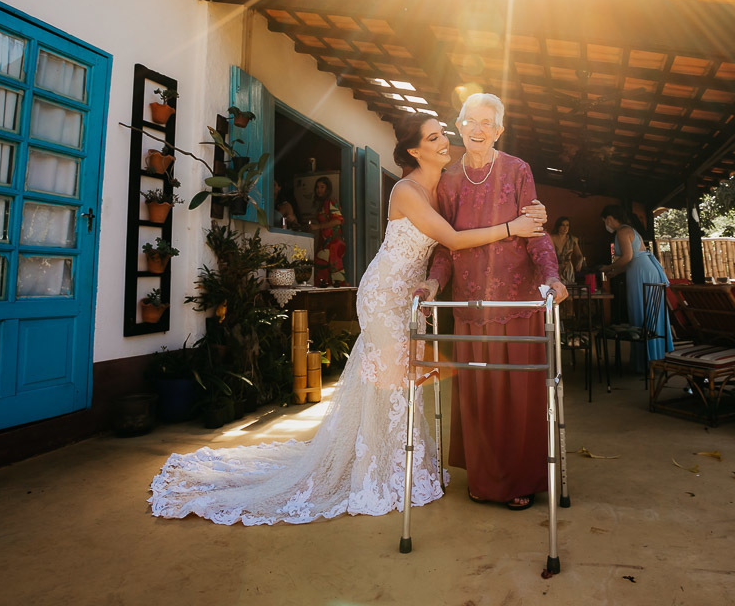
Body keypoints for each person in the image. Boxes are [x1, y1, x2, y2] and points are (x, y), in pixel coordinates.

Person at [148, 113, 548, 525]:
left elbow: (473, 193)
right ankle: (379, 473)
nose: (446, 141)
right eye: (434, 137)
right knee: (389, 383)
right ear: (415, 150)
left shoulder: (444, 186)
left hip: (410, 297)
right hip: (384, 294)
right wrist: (513, 226)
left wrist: (530, 211)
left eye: (444, 133)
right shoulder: (408, 190)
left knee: (406, 385)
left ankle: (401, 466)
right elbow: (455, 240)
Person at [415, 93, 568, 512]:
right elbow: (445, 247)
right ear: (458, 125)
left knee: (518, 395)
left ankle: (519, 479)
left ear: (499, 130)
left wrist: (552, 276)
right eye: (470, 121)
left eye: (487, 123)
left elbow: (534, 230)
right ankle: (485, 479)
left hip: (516, 302)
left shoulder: (518, 170)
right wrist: (432, 283)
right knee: (479, 395)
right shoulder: (448, 181)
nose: (478, 130)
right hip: (469, 304)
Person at [599, 204, 673, 371]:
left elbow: (627, 257)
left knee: (642, 311)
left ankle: (647, 360)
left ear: (610, 219)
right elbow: (630, 260)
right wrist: (616, 272)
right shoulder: (629, 229)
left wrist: (608, 268)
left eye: (605, 221)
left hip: (642, 273)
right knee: (648, 312)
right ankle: (652, 357)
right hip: (642, 269)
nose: (606, 225)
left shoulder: (622, 231)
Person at [309, 176, 347, 286]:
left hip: (333, 243)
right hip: (325, 243)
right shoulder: (322, 204)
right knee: (322, 270)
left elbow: (338, 221)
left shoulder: (330, 201)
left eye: (322, 187)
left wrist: (318, 226)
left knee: (335, 271)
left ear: (327, 189)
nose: (319, 190)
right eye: (317, 187)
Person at [551, 216, 585, 284]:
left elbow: (579, 255)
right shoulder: (551, 238)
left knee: (568, 290)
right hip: (554, 268)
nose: (565, 228)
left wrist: (580, 262)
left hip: (568, 269)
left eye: (567, 225)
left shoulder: (572, 240)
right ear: (558, 226)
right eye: (563, 225)